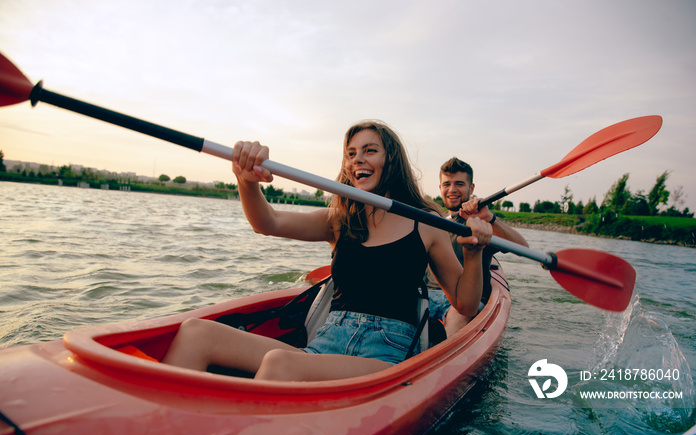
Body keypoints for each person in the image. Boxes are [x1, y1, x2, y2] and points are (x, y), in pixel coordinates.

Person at [162, 121, 492, 382]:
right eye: (350, 153)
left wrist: (474, 253)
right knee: (195, 333)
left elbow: (464, 303)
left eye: (370, 150)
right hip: (324, 343)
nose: (357, 159)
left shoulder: (426, 221)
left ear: (390, 159)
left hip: (384, 358)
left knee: (281, 364)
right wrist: (245, 180)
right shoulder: (339, 220)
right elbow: (269, 221)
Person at [426, 157, 528, 337]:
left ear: (471, 188)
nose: (452, 190)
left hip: (464, 303)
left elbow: (523, 248)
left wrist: (491, 219)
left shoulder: (481, 224)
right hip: (427, 295)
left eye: (459, 184)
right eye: (447, 184)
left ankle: (447, 358)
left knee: (460, 315)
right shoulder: (433, 221)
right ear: (440, 188)